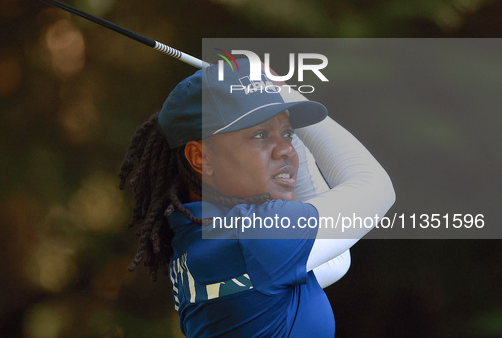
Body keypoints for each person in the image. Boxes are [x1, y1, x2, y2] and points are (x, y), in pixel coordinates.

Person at [119, 59, 395, 337]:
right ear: (201, 158)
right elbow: (376, 188)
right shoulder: (257, 235)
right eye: (260, 135)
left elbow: (334, 258)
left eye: (288, 134)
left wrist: (269, 96)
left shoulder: (198, 237)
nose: (286, 149)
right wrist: (287, 93)